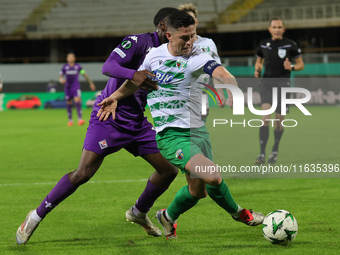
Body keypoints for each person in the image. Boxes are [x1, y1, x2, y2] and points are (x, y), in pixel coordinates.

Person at [16, 7, 178, 245]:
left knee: (168, 170)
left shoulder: (169, 52)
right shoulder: (137, 42)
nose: (184, 37)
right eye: (179, 31)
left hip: (137, 122)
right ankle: (36, 215)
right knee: (83, 173)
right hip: (109, 116)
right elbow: (109, 67)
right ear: (164, 27)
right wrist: (134, 74)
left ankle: (138, 212)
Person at [97, 10, 264, 240]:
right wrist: (115, 96)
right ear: (169, 35)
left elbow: (222, 73)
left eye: (193, 36)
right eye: (184, 38)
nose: (190, 42)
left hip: (198, 132)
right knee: (213, 176)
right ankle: (240, 213)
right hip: (170, 135)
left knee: (198, 192)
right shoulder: (153, 56)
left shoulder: (199, 56)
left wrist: (231, 86)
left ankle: (167, 216)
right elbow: (136, 82)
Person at [254, 17, 304, 164]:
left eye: (279, 27)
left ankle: (275, 150)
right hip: (266, 84)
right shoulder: (263, 44)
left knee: (278, 123)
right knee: (265, 118)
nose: (277, 30)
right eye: (274, 27)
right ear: (269, 29)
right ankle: (262, 154)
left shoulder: (290, 45)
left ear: (283, 29)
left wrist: (292, 67)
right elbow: (259, 61)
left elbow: (301, 64)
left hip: (283, 85)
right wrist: (257, 70)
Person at [59, 52, 96, 126]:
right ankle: (70, 120)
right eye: (69, 57)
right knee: (68, 103)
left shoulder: (78, 66)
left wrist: (90, 83)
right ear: (67, 59)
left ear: (74, 59)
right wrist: (61, 80)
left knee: (77, 100)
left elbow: (84, 74)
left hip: (76, 87)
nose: (71, 58)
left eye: (72, 57)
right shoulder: (64, 67)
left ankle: (80, 119)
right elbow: (60, 77)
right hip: (68, 88)